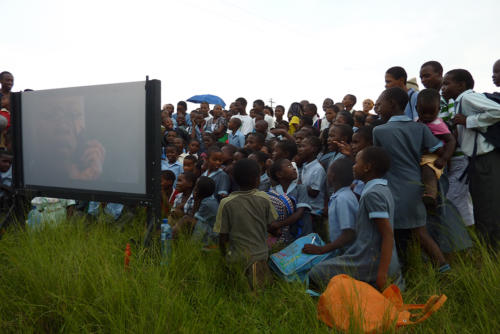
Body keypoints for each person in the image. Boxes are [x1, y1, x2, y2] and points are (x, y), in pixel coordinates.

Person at [373, 87, 449, 271]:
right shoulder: (420, 127)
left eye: (380, 105)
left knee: (391, 233)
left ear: (392, 104)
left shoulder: (379, 131)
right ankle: (444, 269)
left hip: (392, 188)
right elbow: (439, 149)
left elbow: (379, 163)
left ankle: (402, 271)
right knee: (420, 232)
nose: (378, 109)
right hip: (415, 187)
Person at [309, 147, 403, 291]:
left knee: (316, 272)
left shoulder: (373, 194)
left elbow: (387, 234)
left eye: (356, 162)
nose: (353, 166)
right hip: (373, 258)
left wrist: (382, 274)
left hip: (369, 261)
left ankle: (368, 287)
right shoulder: (380, 188)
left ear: (367, 167)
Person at [443, 68, 500, 248]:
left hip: (485, 160)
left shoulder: (467, 97)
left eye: (447, 83)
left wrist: (468, 121)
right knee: (482, 205)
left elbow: (498, 110)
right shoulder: (461, 101)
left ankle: (491, 250)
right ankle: (488, 247)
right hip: (477, 160)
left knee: (487, 206)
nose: (442, 88)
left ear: (461, 85)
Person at [214, 158, 277, 289]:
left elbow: (223, 237)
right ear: (257, 179)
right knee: (260, 292)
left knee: (236, 290)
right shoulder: (264, 198)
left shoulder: (226, 203)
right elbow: (273, 227)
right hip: (260, 256)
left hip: (235, 258)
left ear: (234, 178)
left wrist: (223, 257)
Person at [303, 158, 358, 254]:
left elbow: (348, 233)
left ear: (332, 176)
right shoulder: (340, 196)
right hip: (340, 251)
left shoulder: (343, 199)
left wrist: (322, 249)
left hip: (347, 254)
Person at [416, 89, 456, 207]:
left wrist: (444, 158)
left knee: (428, 171)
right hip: (422, 156)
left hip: (434, 157)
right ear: (416, 108)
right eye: (424, 112)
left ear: (438, 110)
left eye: (431, 113)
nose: (427, 116)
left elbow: (451, 140)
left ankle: (431, 195)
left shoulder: (437, 124)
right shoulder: (417, 122)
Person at [268, 159, 312, 243]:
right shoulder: (272, 192)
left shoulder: (300, 188)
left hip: (301, 234)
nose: (294, 168)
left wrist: (279, 224)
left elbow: (300, 213)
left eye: (292, 166)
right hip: (283, 236)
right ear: (279, 174)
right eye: (289, 166)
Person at [298, 136, 327, 238]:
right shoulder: (306, 165)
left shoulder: (317, 169)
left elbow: (314, 192)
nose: (299, 149)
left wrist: (299, 185)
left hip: (314, 213)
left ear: (313, 149)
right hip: (306, 211)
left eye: (303, 146)